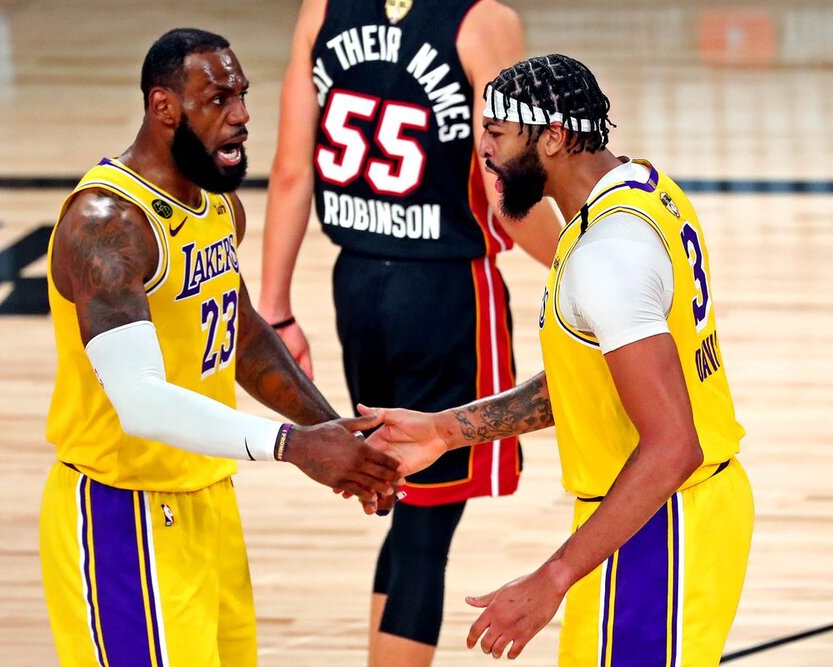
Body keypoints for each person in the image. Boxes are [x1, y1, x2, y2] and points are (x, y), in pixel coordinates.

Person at [364, 54, 754, 664]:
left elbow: (674, 445)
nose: (483, 151)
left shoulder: (609, 254)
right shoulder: (639, 186)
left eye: (496, 133)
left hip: (662, 523)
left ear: (553, 136)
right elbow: (593, 379)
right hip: (652, 514)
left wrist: (552, 577)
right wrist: (447, 429)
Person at [39, 28, 401, 667]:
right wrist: (294, 446)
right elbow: (141, 403)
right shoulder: (107, 225)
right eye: (218, 99)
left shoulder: (215, 206)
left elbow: (240, 334)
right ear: (164, 107)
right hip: (121, 513)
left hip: (206, 499)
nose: (241, 115)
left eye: (242, 95)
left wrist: (336, 434)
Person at [259, 1, 560, 665]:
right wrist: (577, 255)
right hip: (444, 290)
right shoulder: (484, 22)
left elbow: (288, 171)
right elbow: (504, 181)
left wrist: (275, 309)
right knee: (427, 523)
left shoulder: (323, 9)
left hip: (357, 287)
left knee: (404, 495)